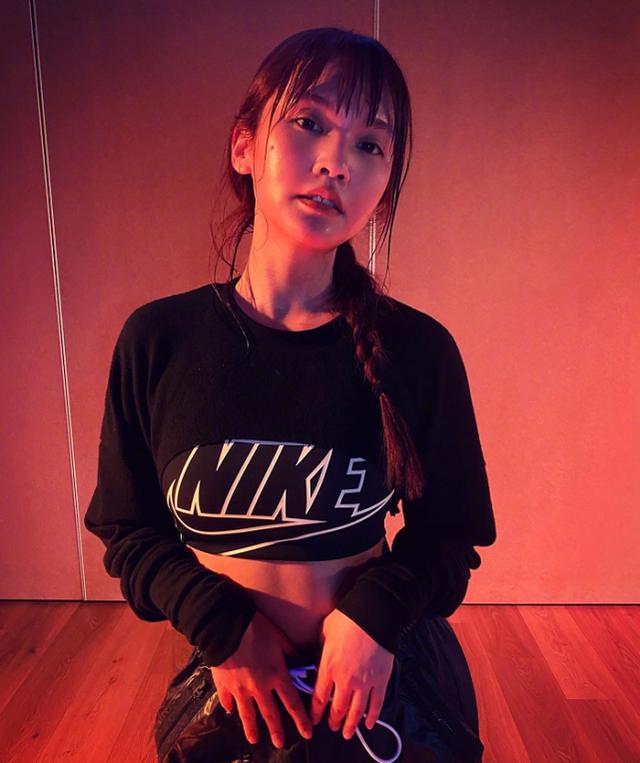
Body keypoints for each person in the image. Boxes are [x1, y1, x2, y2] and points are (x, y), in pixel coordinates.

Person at [84, 26, 497, 763]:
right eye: (309, 122)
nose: (337, 161)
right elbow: (128, 528)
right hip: (236, 689)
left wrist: (375, 619)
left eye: (370, 144)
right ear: (244, 146)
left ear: (385, 180)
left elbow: (452, 533)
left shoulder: (418, 350)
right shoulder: (158, 340)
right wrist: (223, 627)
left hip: (384, 682)